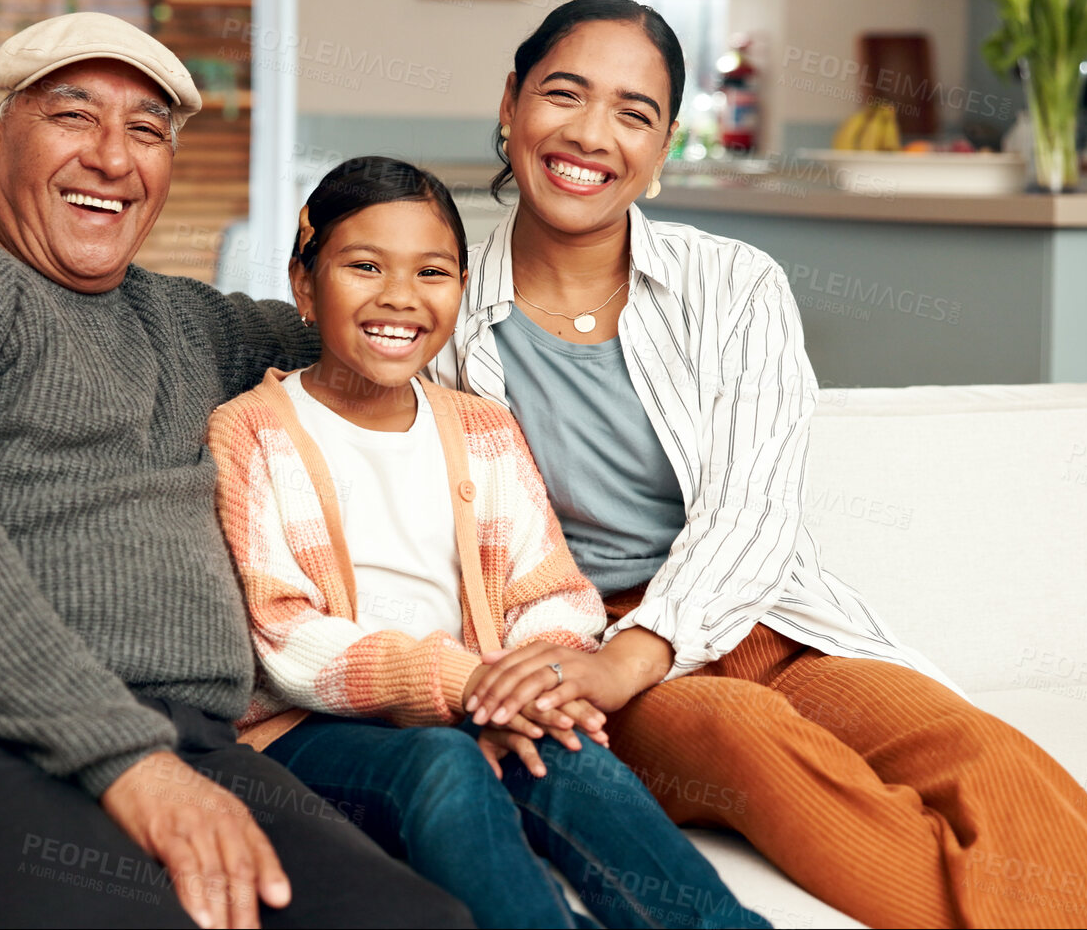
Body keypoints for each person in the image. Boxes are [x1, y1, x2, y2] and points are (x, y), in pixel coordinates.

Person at [429, 0, 1087, 929]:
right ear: (510, 103)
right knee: (750, 739)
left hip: (763, 619)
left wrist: (643, 649)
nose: (590, 134)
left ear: (662, 151)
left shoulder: (735, 284)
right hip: (585, 654)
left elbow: (754, 514)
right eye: (563, 94)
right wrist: (609, 664)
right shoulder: (436, 303)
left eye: (634, 114)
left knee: (982, 752)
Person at [0, 13, 472, 930]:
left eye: (146, 129)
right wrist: (129, 763)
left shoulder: (189, 327)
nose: (113, 157)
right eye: (74, 116)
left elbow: (376, 328)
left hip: (174, 738)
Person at [208, 156, 769, 930]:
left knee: (564, 749)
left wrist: (525, 685)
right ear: (305, 286)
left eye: (431, 271)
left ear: (461, 290)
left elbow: (552, 594)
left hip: (477, 700)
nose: (399, 296)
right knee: (443, 762)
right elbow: (285, 639)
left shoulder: (481, 428)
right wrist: (469, 686)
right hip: (307, 734)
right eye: (363, 266)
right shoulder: (251, 431)